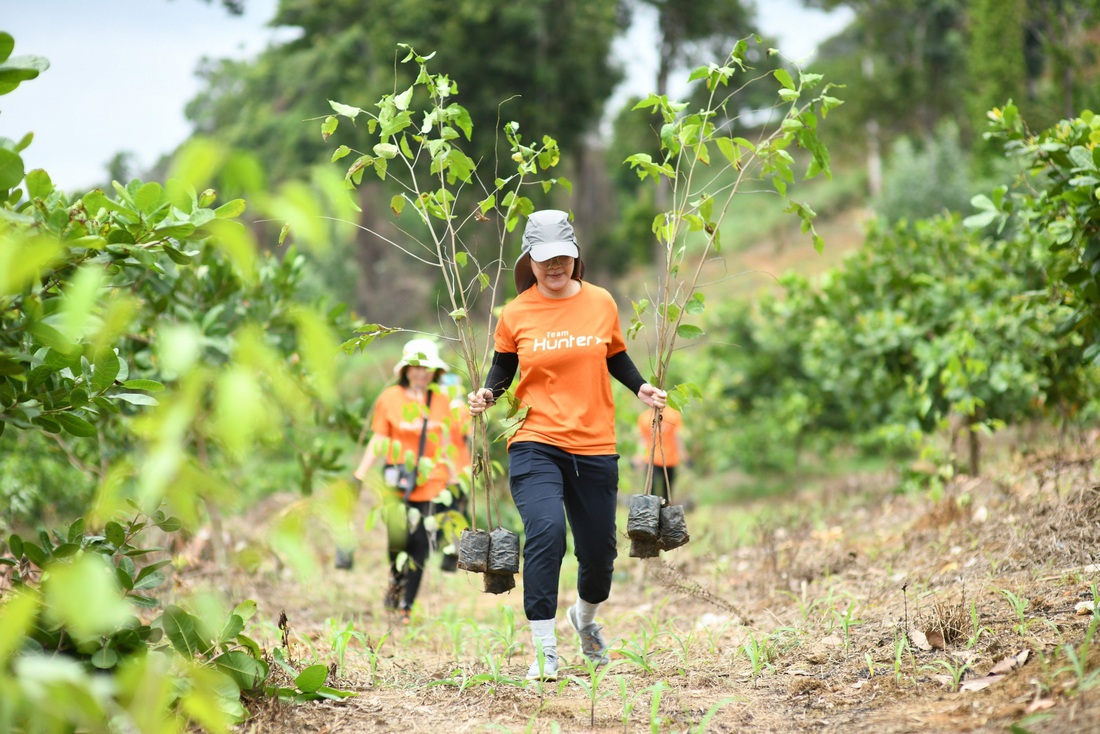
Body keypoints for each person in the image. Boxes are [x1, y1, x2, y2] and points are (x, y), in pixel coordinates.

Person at [468, 209, 666, 681]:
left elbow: (615, 354)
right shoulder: (515, 313)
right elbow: (503, 369)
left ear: (575, 257)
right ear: (529, 261)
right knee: (547, 533)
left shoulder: (600, 302)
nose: (554, 266)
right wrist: (487, 394)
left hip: (595, 441)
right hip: (534, 439)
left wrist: (640, 388)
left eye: (562, 257)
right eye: (544, 259)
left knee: (599, 552)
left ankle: (585, 619)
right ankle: (544, 650)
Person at [351, 337, 456, 624]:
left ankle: (407, 605)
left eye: (427, 367)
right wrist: (360, 472)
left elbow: (448, 443)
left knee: (421, 543)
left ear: (435, 371)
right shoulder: (390, 399)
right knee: (398, 540)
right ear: (406, 369)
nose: (421, 372)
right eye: (415, 366)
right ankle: (395, 584)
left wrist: (456, 478)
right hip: (397, 481)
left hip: (432, 481)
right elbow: (380, 438)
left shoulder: (442, 401)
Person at [633, 406, 687, 503]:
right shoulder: (644, 417)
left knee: (668, 490)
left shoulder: (673, 415)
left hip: (670, 460)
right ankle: (651, 514)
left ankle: (665, 514)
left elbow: (677, 436)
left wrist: (683, 455)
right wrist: (638, 457)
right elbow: (643, 439)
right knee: (650, 489)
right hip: (651, 459)